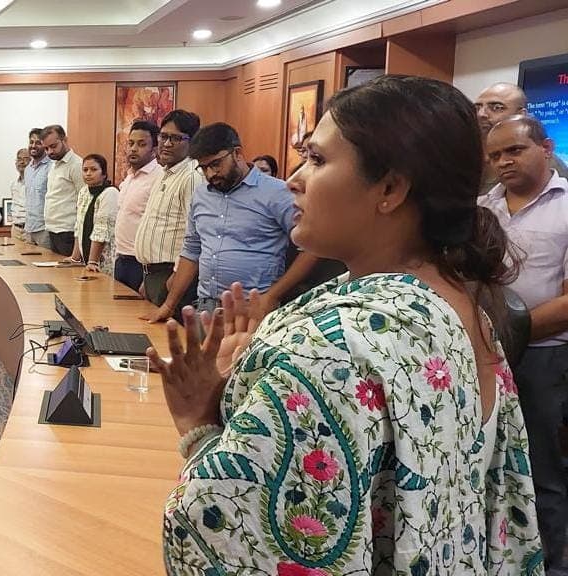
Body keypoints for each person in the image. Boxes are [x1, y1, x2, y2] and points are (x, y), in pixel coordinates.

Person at [153, 75, 542, 574]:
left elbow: (224, 530)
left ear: (390, 188)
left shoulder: (334, 347)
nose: (294, 178)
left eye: (316, 160)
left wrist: (199, 422)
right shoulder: (465, 306)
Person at [479, 114, 568, 573]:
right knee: (488, 465)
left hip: (543, 358)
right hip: (482, 356)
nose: (503, 162)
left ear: (546, 147)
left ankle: (552, 565)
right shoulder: (481, 208)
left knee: (541, 471)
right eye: (495, 155)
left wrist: (509, 333)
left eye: (514, 150)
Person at [144, 122, 316, 322]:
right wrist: (168, 305)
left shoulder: (277, 193)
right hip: (205, 307)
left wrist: (272, 295)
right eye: (204, 167)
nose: (210, 174)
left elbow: (312, 247)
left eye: (216, 164)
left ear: (237, 153)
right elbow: (191, 251)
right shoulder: (201, 195)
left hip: (252, 308)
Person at [135, 110, 203, 318]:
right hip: (153, 274)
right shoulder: (166, 173)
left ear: (192, 142)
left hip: (172, 277)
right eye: (163, 136)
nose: (166, 143)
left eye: (176, 138)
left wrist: (173, 281)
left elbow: (196, 237)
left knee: (167, 342)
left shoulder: (191, 176)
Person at [475, 82, 568, 194]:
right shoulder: (463, 154)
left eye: (496, 108)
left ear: (521, 114)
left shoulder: (545, 162)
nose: (481, 114)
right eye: (477, 107)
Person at [114, 120, 163, 291]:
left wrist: (148, 276)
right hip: (122, 258)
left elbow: (157, 227)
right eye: (131, 143)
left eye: (141, 144)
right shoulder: (129, 177)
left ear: (155, 150)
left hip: (142, 263)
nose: (134, 149)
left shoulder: (159, 178)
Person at [65, 154, 118, 274]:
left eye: (94, 170)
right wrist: (75, 257)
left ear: (104, 173)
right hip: (87, 259)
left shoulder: (110, 193)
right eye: (85, 170)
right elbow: (79, 226)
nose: (88, 173)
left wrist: (93, 261)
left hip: (105, 259)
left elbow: (101, 230)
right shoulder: (84, 191)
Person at [41, 124, 83, 256]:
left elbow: (84, 199)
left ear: (65, 140)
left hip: (68, 232)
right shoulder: (54, 165)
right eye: (46, 148)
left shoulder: (76, 165)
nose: (49, 152)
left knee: (67, 275)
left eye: (53, 146)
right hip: (52, 229)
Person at [23, 128, 52, 249]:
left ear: (45, 145)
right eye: (31, 142)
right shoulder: (27, 169)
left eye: (38, 143)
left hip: (44, 229)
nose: (33, 146)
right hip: (29, 228)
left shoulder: (52, 167)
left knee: (45, 266)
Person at [10, 147, 30, 241]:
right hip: (15, 230)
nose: (22, 162)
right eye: (19, 159)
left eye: (26, 159)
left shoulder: (34, 183)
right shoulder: (14, 184)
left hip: (30, 230)